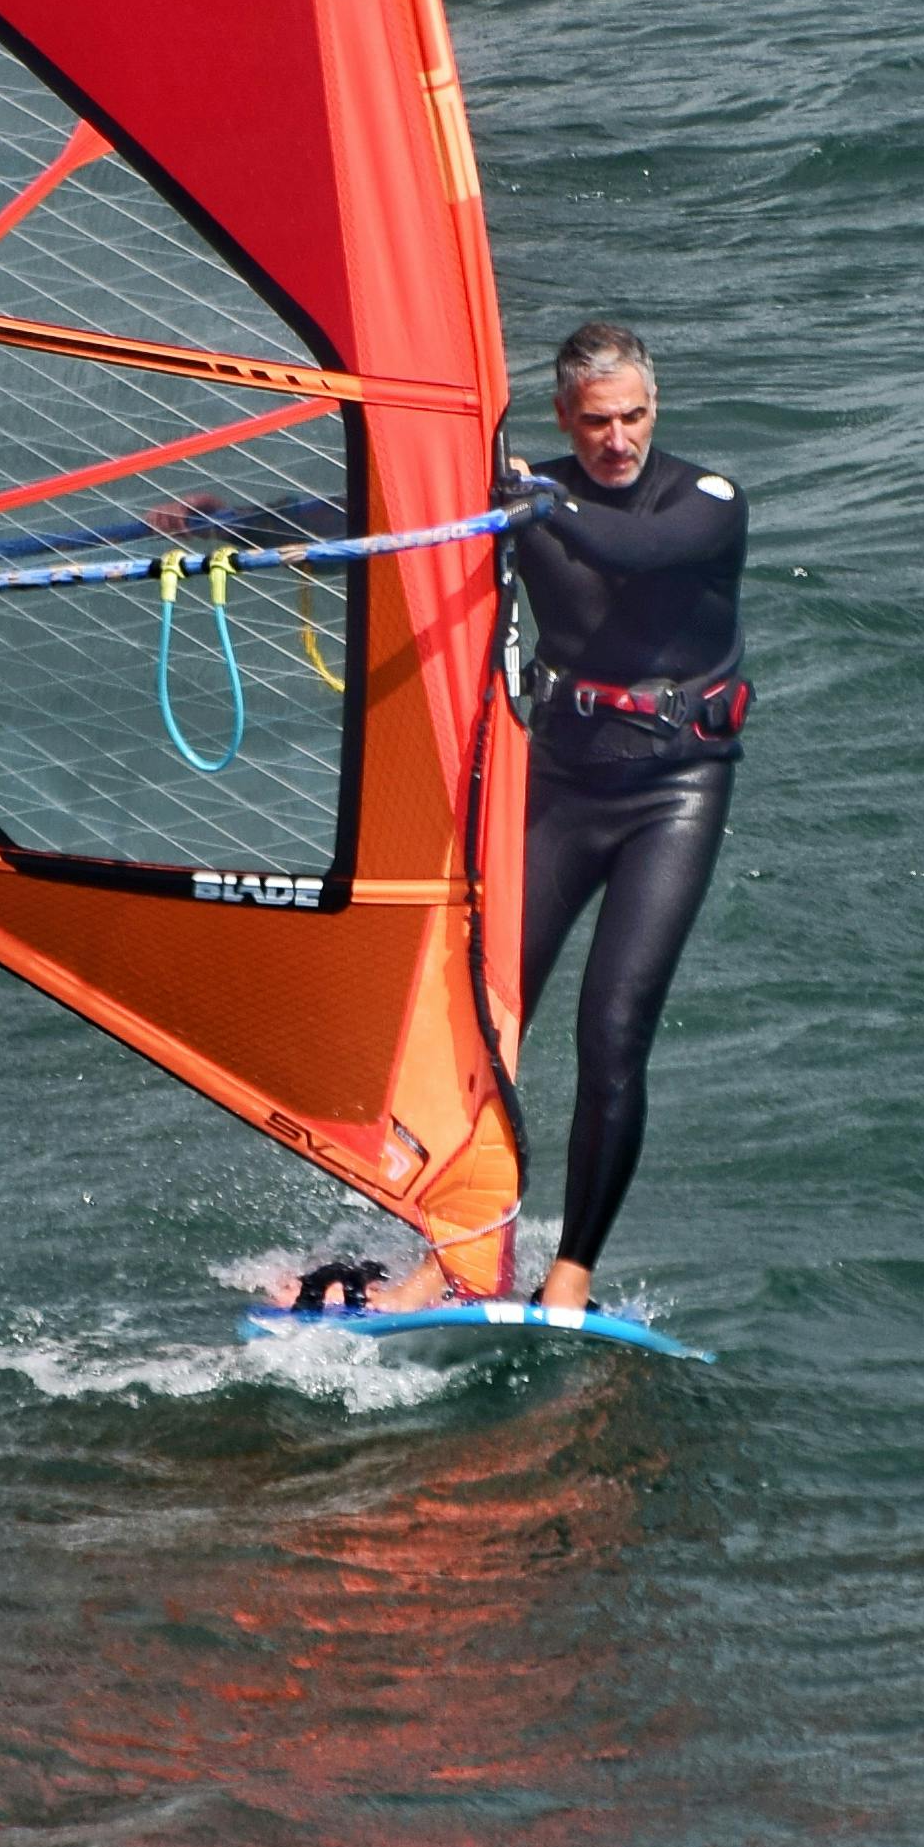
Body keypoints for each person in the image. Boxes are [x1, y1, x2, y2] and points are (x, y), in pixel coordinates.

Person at [376, 319, 746, 1314]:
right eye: (593, 423)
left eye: (631, 417)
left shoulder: (704, 502)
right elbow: (398, 522)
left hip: (674, 791)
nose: (615, 439)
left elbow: (640, 547)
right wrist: (237, 528)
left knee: (611, 1030)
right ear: (560, 416)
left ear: (653, 409)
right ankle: (452, 1253)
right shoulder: (531, 494)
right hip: (562, 781)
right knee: (480, 1022)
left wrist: (538, 504)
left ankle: (571, 1272)